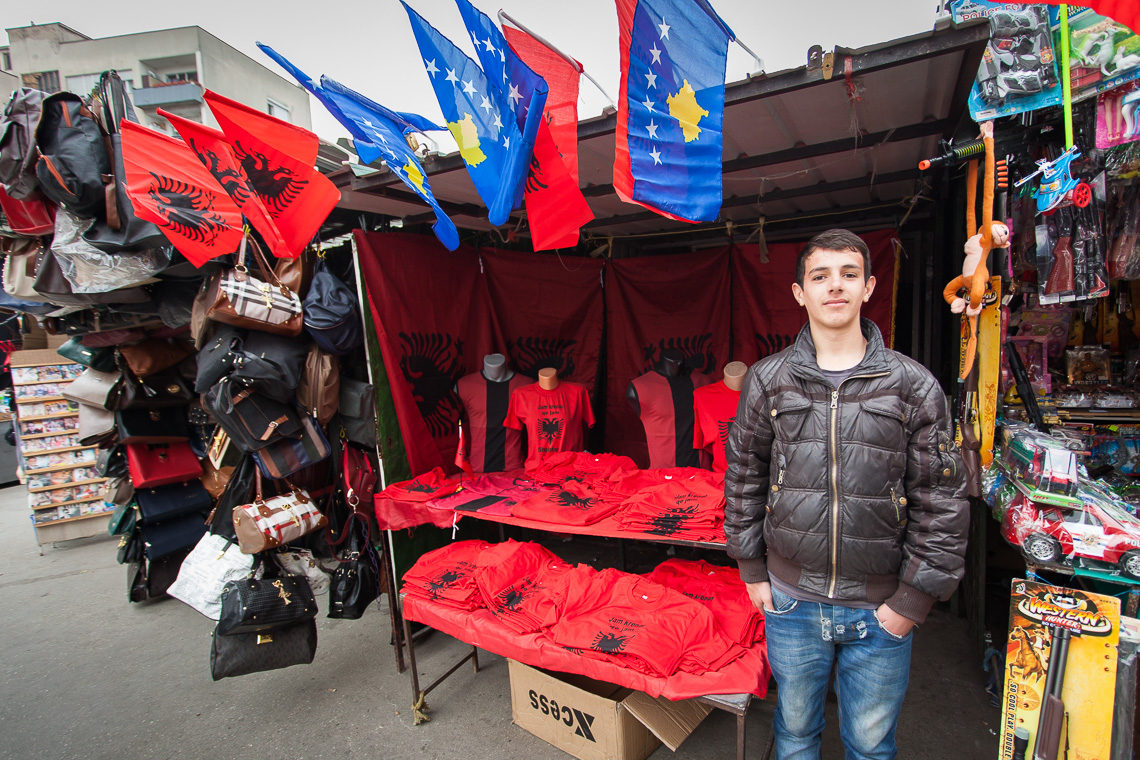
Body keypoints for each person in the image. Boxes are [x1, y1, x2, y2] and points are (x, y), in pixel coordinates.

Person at [724, 229, 969, 759]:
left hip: (880, 608)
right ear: (800, 293)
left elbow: (942, 501)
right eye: (820, 276)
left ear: (868, 287)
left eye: (848, 275)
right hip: (791, 600)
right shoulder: (769, 382)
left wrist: (912, 600)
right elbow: (744, 476)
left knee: (871, 745)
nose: (835, 287)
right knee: (793, 736)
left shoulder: (913, 386)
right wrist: (751, 568)